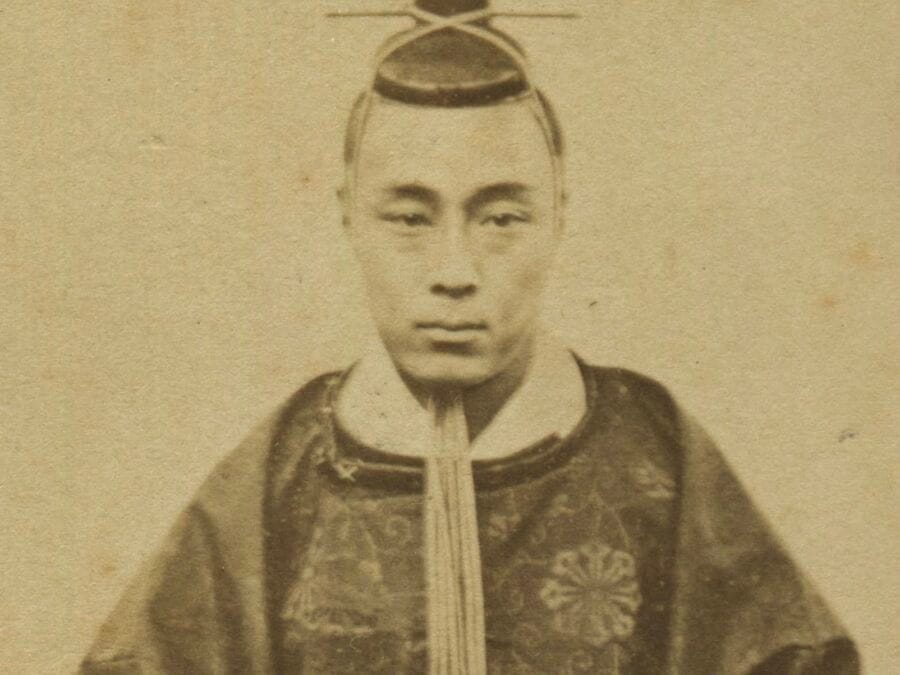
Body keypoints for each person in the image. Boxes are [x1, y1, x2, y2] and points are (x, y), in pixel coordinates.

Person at [81, 1, 859, 673]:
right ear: (349, 215)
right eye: (409, 218)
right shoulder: (283, 470)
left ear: (559, 214)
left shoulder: (655, 452)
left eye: (501, 217)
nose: (455, 271)